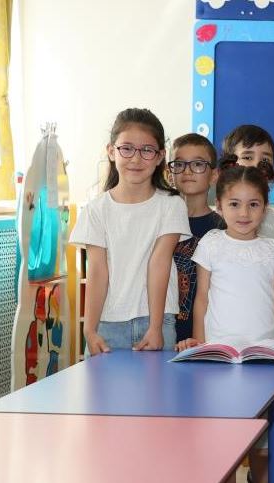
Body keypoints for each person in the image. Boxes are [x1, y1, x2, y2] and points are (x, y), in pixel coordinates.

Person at [176, 158, 274, 483]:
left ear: (265, 207)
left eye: (253, 204)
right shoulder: (212, 244)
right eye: (234, 204)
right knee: (223, 436)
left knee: (266, 437)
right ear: (219, 205)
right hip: (221, 357)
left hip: (264, 357)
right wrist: (201, 345)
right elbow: (201, 299)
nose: (244, 213)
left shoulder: (273, 249)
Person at [69, 108, 189, 354]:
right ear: (111, 151)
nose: (136, 159)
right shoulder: (96, 210)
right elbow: (97, 271)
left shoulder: (171, 205)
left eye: (147, 150)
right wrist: (89, 330)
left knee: (158, 382)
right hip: (107, 324)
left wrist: (155, 327)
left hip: (156, 321)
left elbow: (160, 263)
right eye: (127, 148)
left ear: (160, 156)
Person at [169, 133, 220, 342]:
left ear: (214, 175)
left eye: (198, 164)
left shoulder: (222, 229)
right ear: (170, 174)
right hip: (162, 332)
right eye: (179, 164)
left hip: (204, 336)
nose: (187, 171)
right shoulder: (160, 223)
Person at [222, 124, 274, 239]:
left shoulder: (270, 217)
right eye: (248, 157)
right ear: (230, 164)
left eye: (265, 160)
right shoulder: (221, 217)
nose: (256, 165)